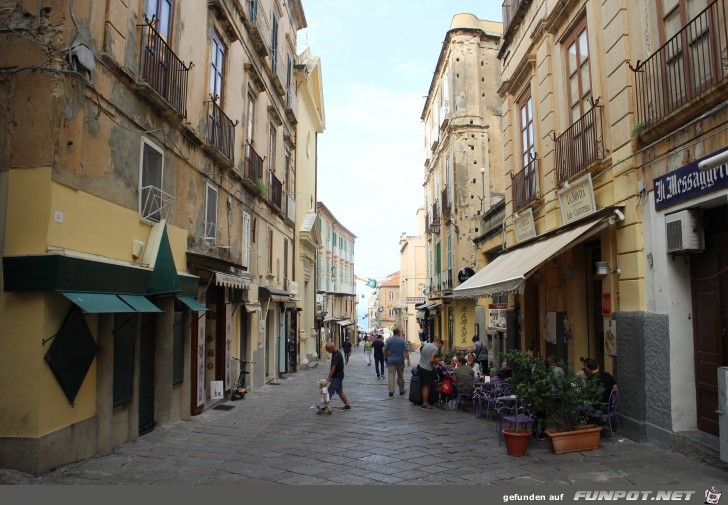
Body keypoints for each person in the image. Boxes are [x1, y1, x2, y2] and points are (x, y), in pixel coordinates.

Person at [418, 339, 445, 409]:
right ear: (438, 343)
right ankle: (425, 403)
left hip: (421, 366)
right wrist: (440, 363)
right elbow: (431, 360)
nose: (439, 348)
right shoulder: (435, 348)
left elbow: (427, 356)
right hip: (427, 369)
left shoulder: (426, 345)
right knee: (427, 386)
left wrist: (436, 359)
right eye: (440, 347)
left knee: (424, 385)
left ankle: (423, 401)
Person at [384, 327, 410, 396]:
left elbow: (385, 350)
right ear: (398, 333)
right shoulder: (402, 340)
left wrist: (386, 357)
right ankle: (401, 390)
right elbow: (405, 351)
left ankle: (391, 391)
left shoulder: (389, 340)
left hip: (391, 361)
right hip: (400, 361)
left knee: (391, 375)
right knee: (400, 376)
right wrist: (408, 360)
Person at [325, 341, 351, 410]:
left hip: (337, 376)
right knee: (339, 391)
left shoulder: (336, 355)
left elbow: (333, 368)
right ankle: (347, 405)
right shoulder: (335, 353)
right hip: (339, 375)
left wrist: (329, 378)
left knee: (329, 391)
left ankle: (324, 406)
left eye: (328, 350)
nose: (328, 351)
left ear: (331, 348)